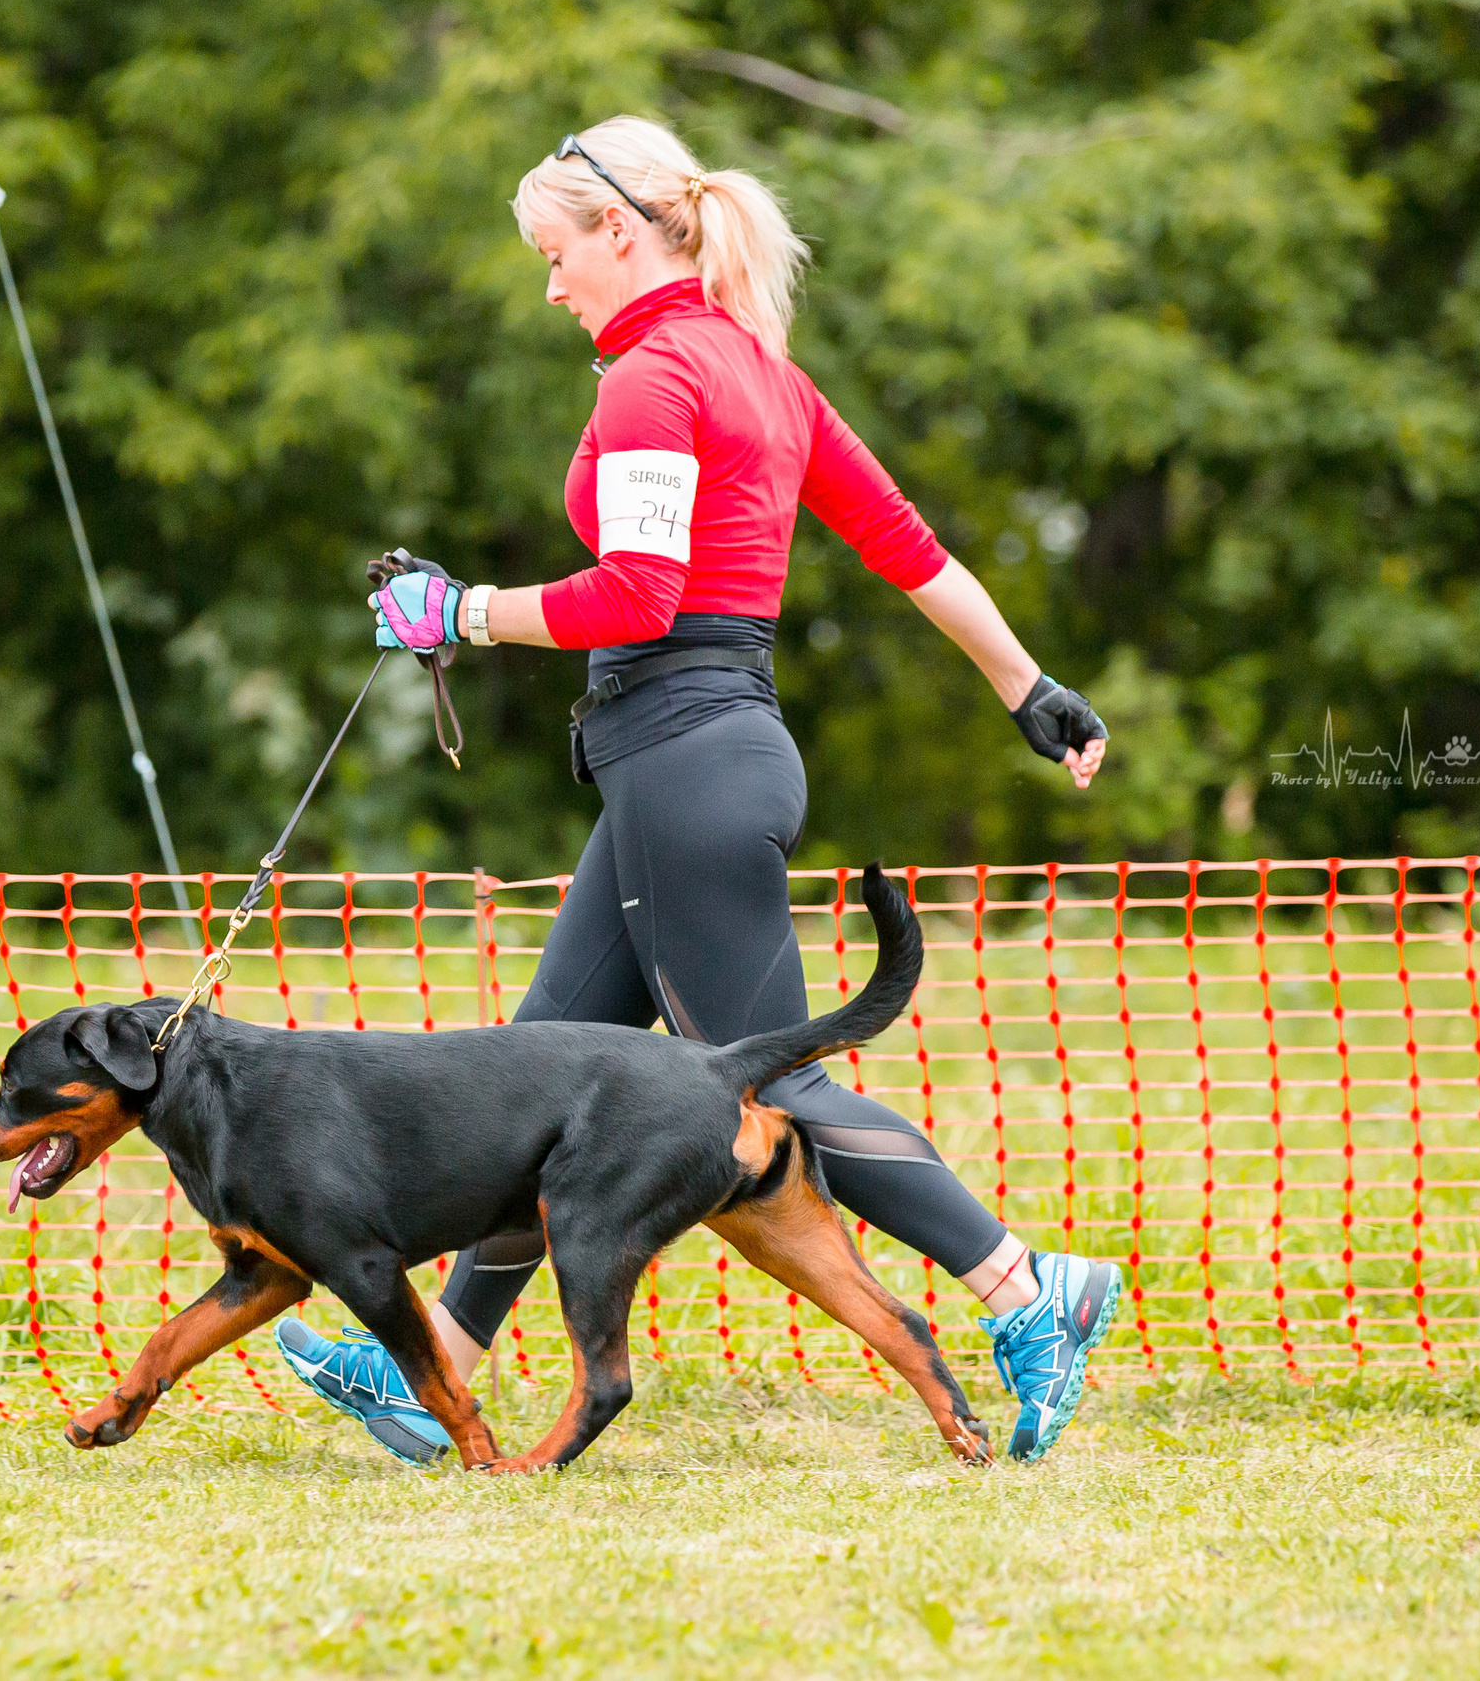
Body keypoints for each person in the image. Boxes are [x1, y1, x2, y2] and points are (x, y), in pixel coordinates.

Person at [270, 116, 1116, 1466]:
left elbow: (635, 596)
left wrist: (464, 610)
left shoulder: (656, 378)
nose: (548, 285)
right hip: (687, 761)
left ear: (619, 232)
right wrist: (1030, 688)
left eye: (555, 253)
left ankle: (1027, 1287)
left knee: (768, 1084)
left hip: (686, 760)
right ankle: (427, 1373)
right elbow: (916, 554)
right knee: (540, 1074)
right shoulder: (764, 374)